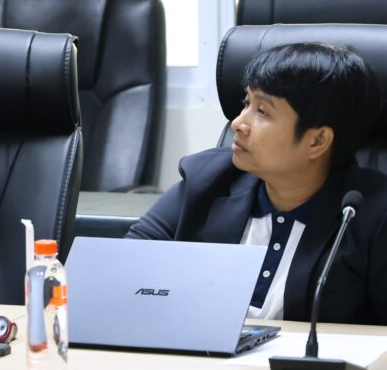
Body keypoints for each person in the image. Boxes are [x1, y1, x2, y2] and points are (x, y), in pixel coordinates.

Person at [127, 42, 387, 324]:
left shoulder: (373, 216)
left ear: (317, 141)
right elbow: (127, 267)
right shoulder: (207, 180)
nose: (238, 123)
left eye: (262, 112)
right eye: (246, 103)